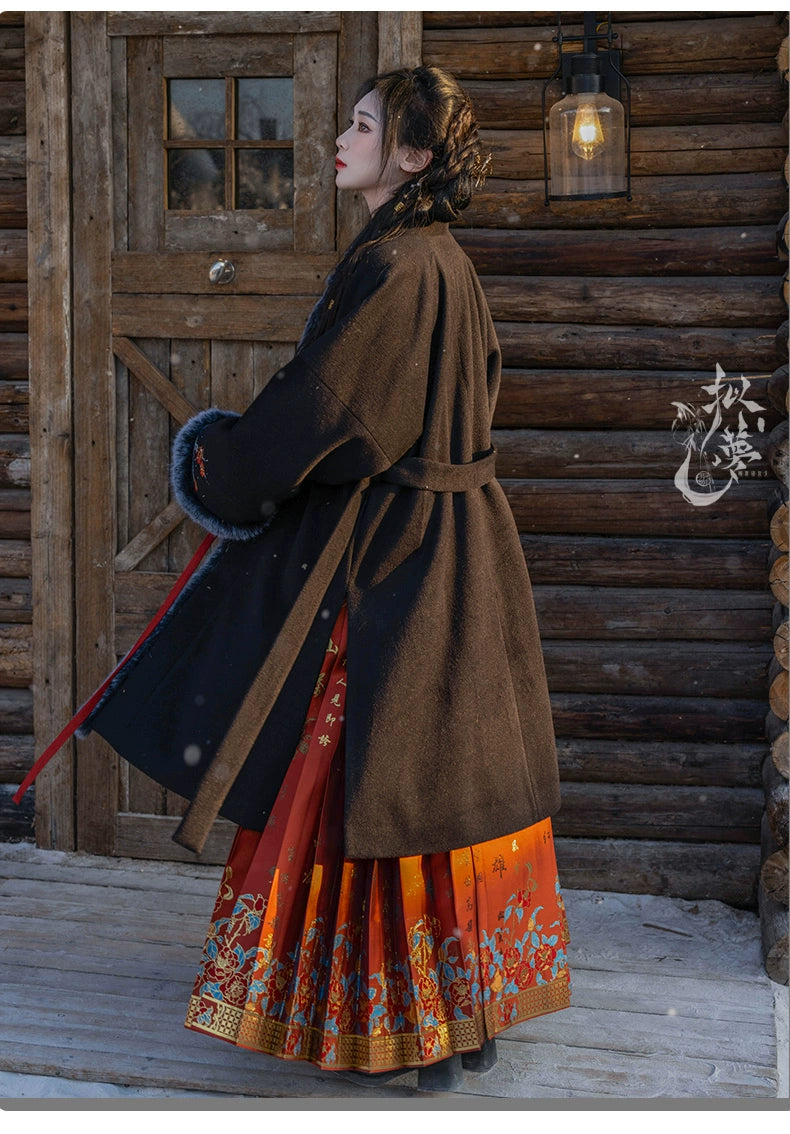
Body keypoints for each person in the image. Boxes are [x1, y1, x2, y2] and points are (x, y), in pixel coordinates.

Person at [76, 66, 572, 1093]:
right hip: (458, 549)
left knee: (377, 778)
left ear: (413, 156)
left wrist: (224, 466)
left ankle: (402, 1021)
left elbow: (332, 413)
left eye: (360, 125)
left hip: (396, 562)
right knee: (442, 776)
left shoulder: (396, 266)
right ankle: (460, 1018)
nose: (336, 139)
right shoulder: (443, 264)